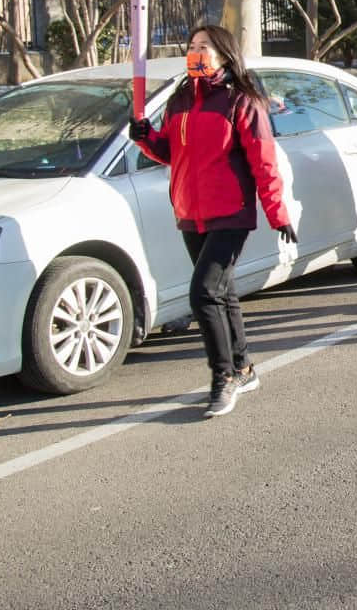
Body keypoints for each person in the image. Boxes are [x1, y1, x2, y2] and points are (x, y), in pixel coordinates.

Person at [130, 24, 295, 418]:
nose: (195, 52)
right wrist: (145, 138)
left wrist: (278, 214)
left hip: (230, 212)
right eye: (191, 46)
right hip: (190, 211)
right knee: (222, 293)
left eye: (204, 46)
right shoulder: (181, 98)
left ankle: (224, 376)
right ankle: (244, 367)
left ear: (224, 53)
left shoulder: (241, 101)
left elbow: (264, 162)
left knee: (203, 293)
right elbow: (172, 152)